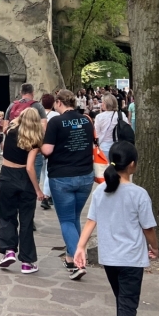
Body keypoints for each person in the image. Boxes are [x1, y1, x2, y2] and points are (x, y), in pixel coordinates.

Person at [74, 141, 158, 316]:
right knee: (128, 307)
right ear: (132, 165)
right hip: (131, 259)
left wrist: (80, 247)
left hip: (109, 259)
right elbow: (148, 228)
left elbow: (90, 222)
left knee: (123, 304)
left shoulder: (101, 190)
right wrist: (155, 246)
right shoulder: (138, 194)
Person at [43, 89, 96, 280]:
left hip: (62, 177)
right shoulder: (86, 120)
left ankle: (78, 261)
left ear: (58, 102)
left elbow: (47, 150)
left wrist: (38, 144)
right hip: (85, 176)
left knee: (66, 220)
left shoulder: (56, 122)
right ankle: (69, 256)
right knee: (74, 217)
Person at [0, 107, 46, 274]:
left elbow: (4, 148)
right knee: (26, 221)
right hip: (24, 179)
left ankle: (8, 250)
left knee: (6, 215)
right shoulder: (34, 139)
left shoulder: (10, 131)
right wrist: (38, 190)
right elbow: (30, 168)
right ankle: (27, 261)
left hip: (6, 176)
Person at [94, 94, 130, 159]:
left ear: (106, 104)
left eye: (103, 102)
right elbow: (126, 128)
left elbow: (97, 134)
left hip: (104, 147)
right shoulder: (121, 115)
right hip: (118, 147)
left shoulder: (99, 117)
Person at [38, 93, 58, 210]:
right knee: (48, 171)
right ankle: (46, 196)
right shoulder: (55, 115)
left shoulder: (37, 114)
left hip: (39, 145)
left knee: (43, 171)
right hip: (51, 145)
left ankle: (47, 194)